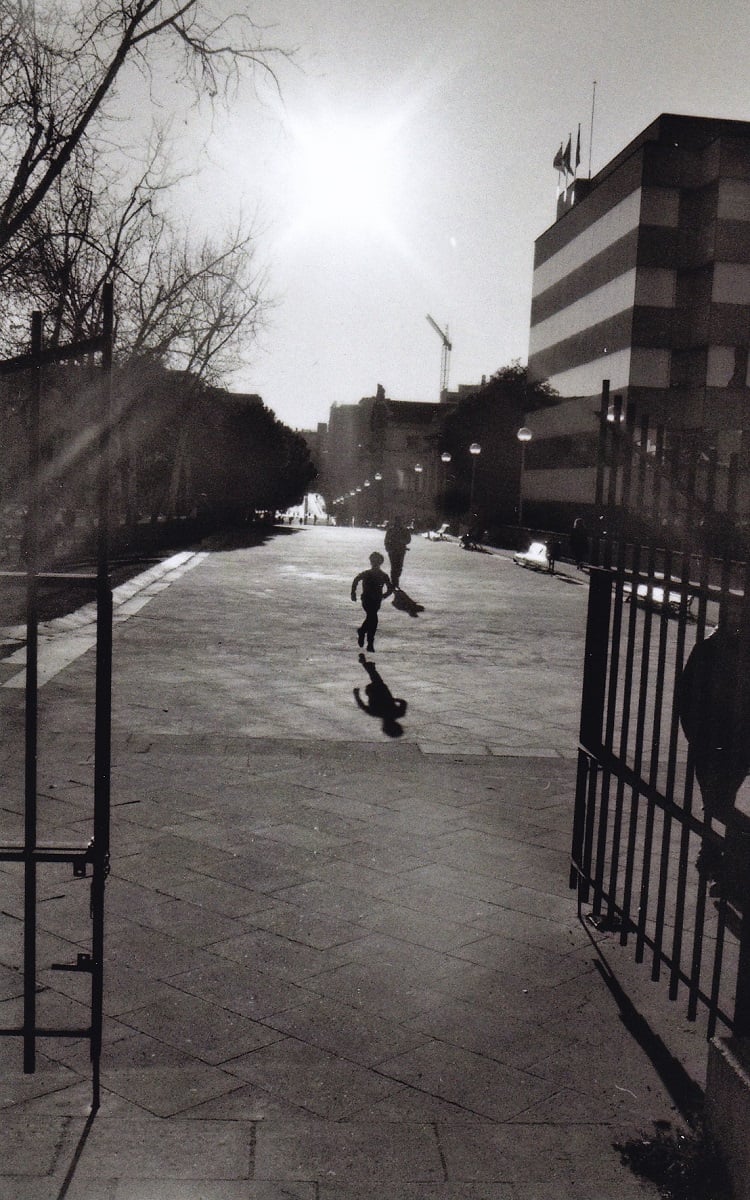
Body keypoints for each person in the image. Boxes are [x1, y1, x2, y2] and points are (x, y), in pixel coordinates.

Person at [351, 551, 393, 652]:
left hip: (367, 599)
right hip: (373, 600)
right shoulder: (383, 575)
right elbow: (390, 589)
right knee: (373, 619)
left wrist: (353, 592)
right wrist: (384, 595)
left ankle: (363, 632)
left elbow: (356, 580)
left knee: (371, 618)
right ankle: (369, 642)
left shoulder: (367, 573)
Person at [384, 516, 411, 589]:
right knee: (394, 566)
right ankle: (394, 583)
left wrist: (402, 541)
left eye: (399, 521)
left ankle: (395, 580)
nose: (398, 523)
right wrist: (387, 547)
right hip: (392, 551)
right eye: (397, 521)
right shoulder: (391, 530)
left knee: (399, 567)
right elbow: (386, 540)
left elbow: (408, 540)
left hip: (401, 551)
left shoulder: (405, 530)